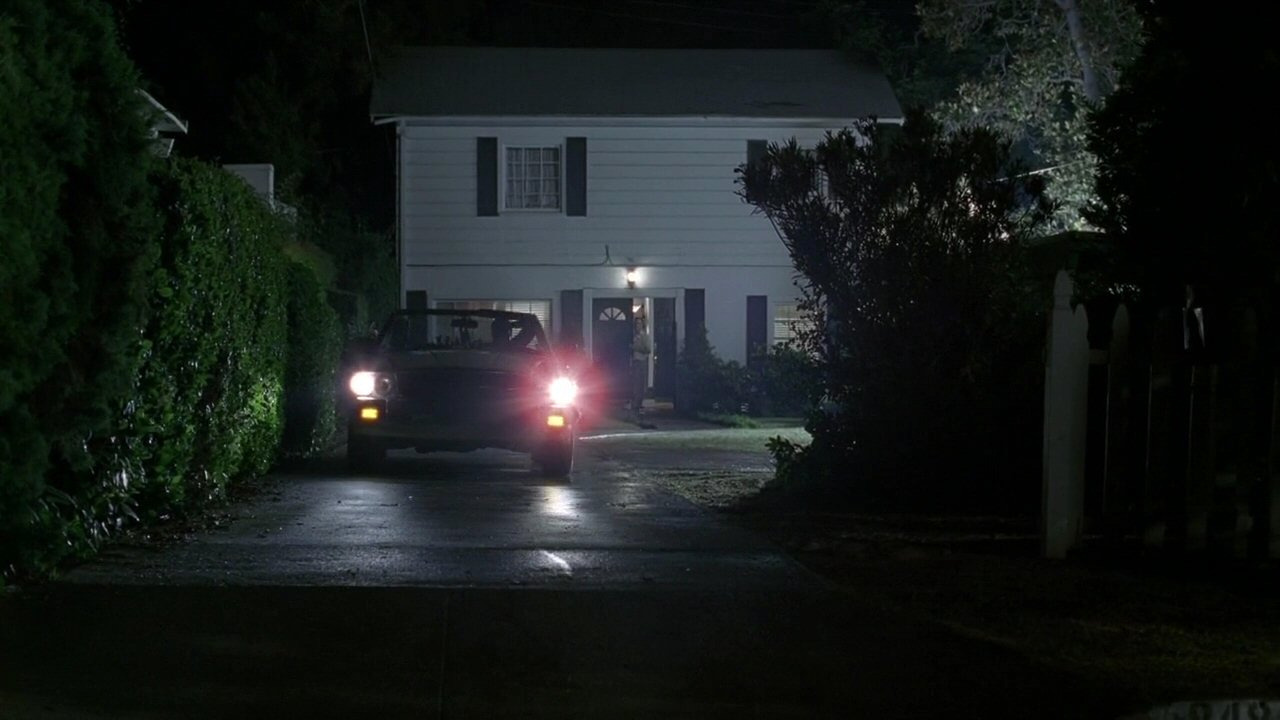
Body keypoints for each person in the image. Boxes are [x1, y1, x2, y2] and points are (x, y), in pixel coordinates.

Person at [630, 309, 652, 416]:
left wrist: (636, 348)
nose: (637, 326)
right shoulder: (634, 337)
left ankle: (639, 403)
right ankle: (635, 403)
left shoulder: (644, 337)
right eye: (636, 324)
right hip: (635, 362)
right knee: (635, 383)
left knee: (640, 383)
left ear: (642, 325)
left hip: (641, 361)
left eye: (639, 324)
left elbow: (648, 349)